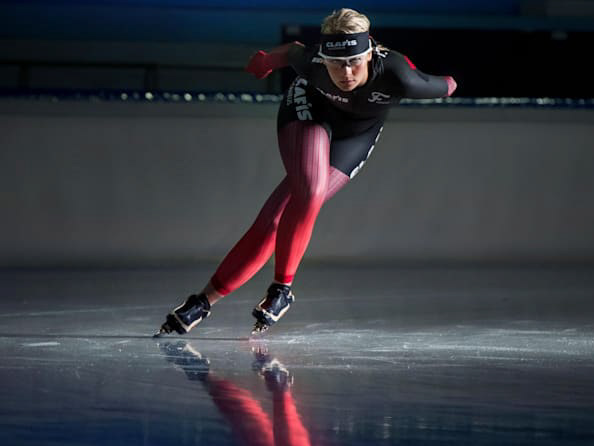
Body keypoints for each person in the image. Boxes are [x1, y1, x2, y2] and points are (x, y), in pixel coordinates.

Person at [157, 7, 457, 337]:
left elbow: (447, 84)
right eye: (336, 63)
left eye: (355, 61)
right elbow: (287, 53)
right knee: (310, 191)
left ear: (370, 53)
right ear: (323, 59)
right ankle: (281, 289)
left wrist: (447, 85)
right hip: (308, 112)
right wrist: (261, 63)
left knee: (277, 219)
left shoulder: (399, 76)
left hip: (355, 135)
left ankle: (203, 301)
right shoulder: (310, 61)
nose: (346, 73)